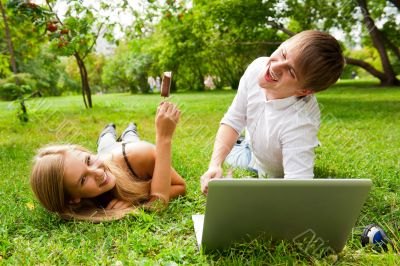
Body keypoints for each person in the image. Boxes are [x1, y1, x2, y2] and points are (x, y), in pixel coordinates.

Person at [200, 30, 345, 194]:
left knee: (239, 156)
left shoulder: (300, 123)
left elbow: (296, 191)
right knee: (228, 150)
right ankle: (242, 142)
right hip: (253, 146)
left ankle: (298, 147)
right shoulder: (257, 67)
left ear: (304, 91)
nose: (274, 67)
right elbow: (234, 120)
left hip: (263, 164)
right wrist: (215, 165)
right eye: (283, 54)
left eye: (291, 71)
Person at [31, 102, 186, 222]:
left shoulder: (140, 155)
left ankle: (125, 129)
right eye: (83, 179)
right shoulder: (83, 203)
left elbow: (179, 187)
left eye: (88, 160)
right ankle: (109, 132)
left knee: (126, 137)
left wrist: (164, 138)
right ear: (73, 199)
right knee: (106, 143)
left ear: (86, 152)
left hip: (123, 152)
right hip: (106, 153)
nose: (97, 172)